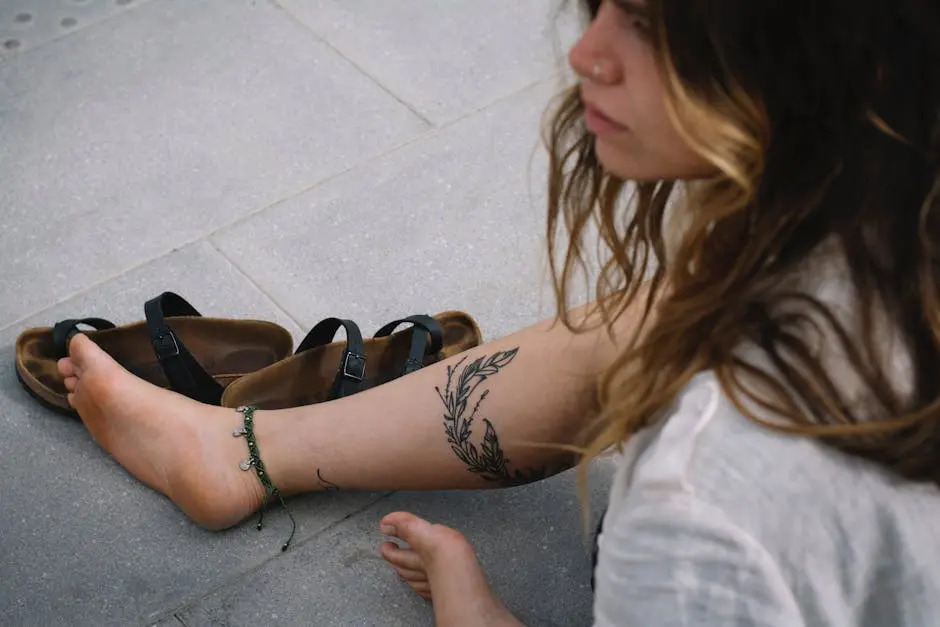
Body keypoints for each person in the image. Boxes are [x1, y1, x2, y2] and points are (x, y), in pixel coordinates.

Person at [57, 0, 940, 624]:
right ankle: (245, 452)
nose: (586, 51)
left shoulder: (707, 509)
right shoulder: (898, 209)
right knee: (672, 311)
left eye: (650, 19)